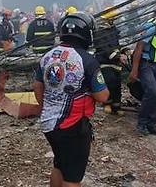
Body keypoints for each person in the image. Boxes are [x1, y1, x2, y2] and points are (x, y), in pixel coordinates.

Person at [32, 12, 109, 187]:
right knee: (72, 178)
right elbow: (102, 96)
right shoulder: (87, 60)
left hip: (49, 124)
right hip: (72, 126)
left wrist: (47, 107)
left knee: (60, 165)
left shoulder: (47, 56)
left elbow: (37, 86)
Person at [129, 18, 156, 136]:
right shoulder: (151, 27)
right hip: (146, 64)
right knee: (151, 91)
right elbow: (139, 47)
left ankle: (152, 123)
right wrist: (134, 70)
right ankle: (142, 123)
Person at [95, 7, 127, 115]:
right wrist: (118, 56)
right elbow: (104, 49)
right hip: (104, 62)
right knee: (109, 82)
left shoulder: (114, 30)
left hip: (116, 63)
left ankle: (117, 106)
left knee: (117, 84)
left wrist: (125, 51)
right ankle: (107, 103)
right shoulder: (100, 32)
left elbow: (119, 43)